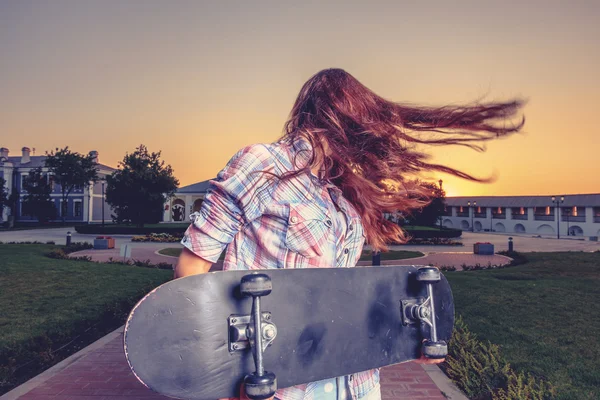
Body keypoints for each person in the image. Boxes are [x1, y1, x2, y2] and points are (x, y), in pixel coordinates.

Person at [174, 68, 525, 400]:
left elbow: (347, 298)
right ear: (336, 116)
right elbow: (190, 274)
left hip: (355, 382)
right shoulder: (262, 164)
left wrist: (403, 341)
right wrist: (216, 384)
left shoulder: (341, 192)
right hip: (283, 385)